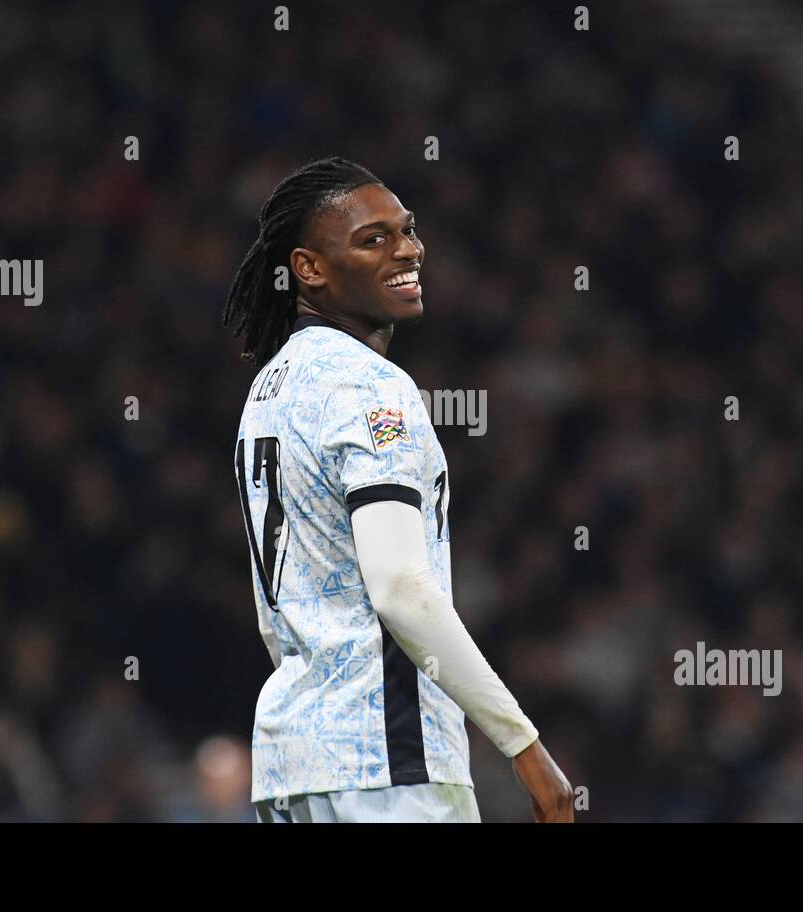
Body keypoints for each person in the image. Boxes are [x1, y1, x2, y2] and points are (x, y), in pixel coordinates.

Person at [224, 156, 573, 823]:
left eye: (407, 230)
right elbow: (400, 588)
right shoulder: (372, 387)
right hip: (387, 762)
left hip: (291, 765)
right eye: (372, 238)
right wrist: (524, 745)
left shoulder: (267, 392)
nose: (409, 249)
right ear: (309, 269)